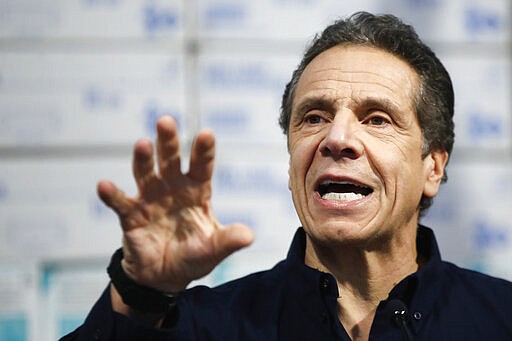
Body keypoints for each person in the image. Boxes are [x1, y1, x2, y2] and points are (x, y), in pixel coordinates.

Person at [61, 12, 512, 341]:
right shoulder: (205, 327)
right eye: (313, 117)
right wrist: (143, 293)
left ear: (433, 166)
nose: (337, 139)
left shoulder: (501, 317)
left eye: (377, 119)